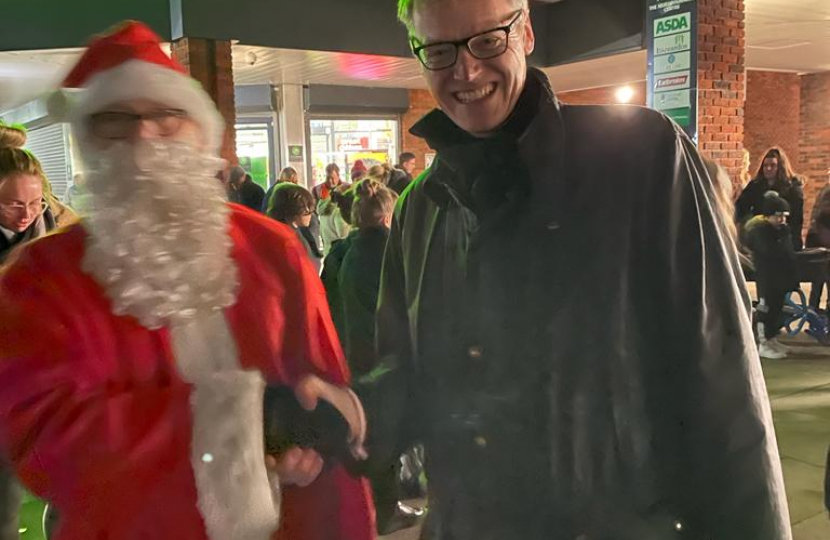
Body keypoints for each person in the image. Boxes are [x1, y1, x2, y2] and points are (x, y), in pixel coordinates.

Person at [299, 0, 792, 538]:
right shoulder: (422, 206)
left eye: (487, 40)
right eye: (439, 50)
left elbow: (723, 379)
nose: (465, 70)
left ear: (526, 33)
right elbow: (415, 375)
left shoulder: (639, 156)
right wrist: (349, 413)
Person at [0, 21, 374, 540]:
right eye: (115, 121)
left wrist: (313, 439)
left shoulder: (273, 250)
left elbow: (322, 381)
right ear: (88, 144)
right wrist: (252, 425)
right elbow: (44, 439)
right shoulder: (42, 279)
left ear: (201, 133)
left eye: (166, 116)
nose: (143, 136)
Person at [334, 179, 423, 535]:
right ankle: (387, 509)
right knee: (385, 434)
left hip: (357, 351)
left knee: (372, 433)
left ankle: (380, 505)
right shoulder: (389, 251)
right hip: (383, 354)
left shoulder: (346, 250)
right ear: (389, 216)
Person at [744, 192, 799, 359]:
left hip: (781, 277)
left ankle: (773, 338)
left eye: (784, 216)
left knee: (777, 308)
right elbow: (768, 252)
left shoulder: (784, 231)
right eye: (778, 216)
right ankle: (763, 343)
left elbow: (789, 252)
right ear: (768, 216)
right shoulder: (759, 232)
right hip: (767, 278)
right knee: (765, 309)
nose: (781, 220)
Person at [736, 147, 804, 251]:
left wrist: (793, 243)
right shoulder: (756, 186)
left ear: (781, 167)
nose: (768, 169)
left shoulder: (793, 189)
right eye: (765, 165)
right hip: (760, 239)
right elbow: (740, 207)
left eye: (773, 165)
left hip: (784, 240)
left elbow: (796, 220)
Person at [266, 182, 324, 272]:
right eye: (307, 210)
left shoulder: (285, 232)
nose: (311, 213)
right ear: (293, 211)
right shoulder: (288, 240)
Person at [317, 184, 351, 256]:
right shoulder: (339, 212)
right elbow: (343, 234)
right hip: (339, 255)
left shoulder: (325, 208)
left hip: (328, 251)